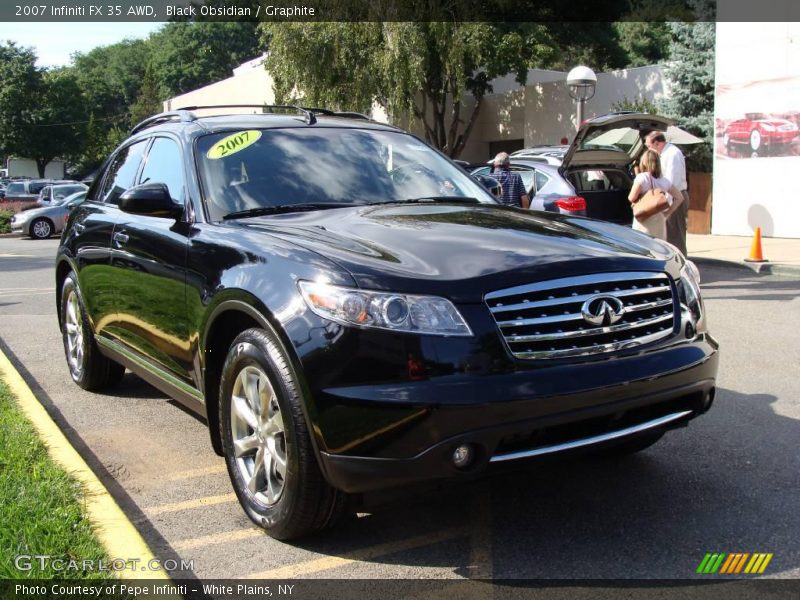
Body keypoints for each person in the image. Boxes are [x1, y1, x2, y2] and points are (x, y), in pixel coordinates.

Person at [645, 131, 689, 255]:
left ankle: (681, 264)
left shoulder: (672, 154)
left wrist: (666, 204)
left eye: (649, 146)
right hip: (671, 196)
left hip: (675, 197)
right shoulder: (665, 153)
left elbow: (671, 181)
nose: (648, 149)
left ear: (657, 143)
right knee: (669, 235)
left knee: (676, 236)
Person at [628, 149, 684, 241]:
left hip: (644, 217)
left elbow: (631, 197)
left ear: (644, 162)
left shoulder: (641, 177)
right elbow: (679, 198)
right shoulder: (664, 181)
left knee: (642, 247)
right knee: (658, 247)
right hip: (659, 218)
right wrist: (667, 213)